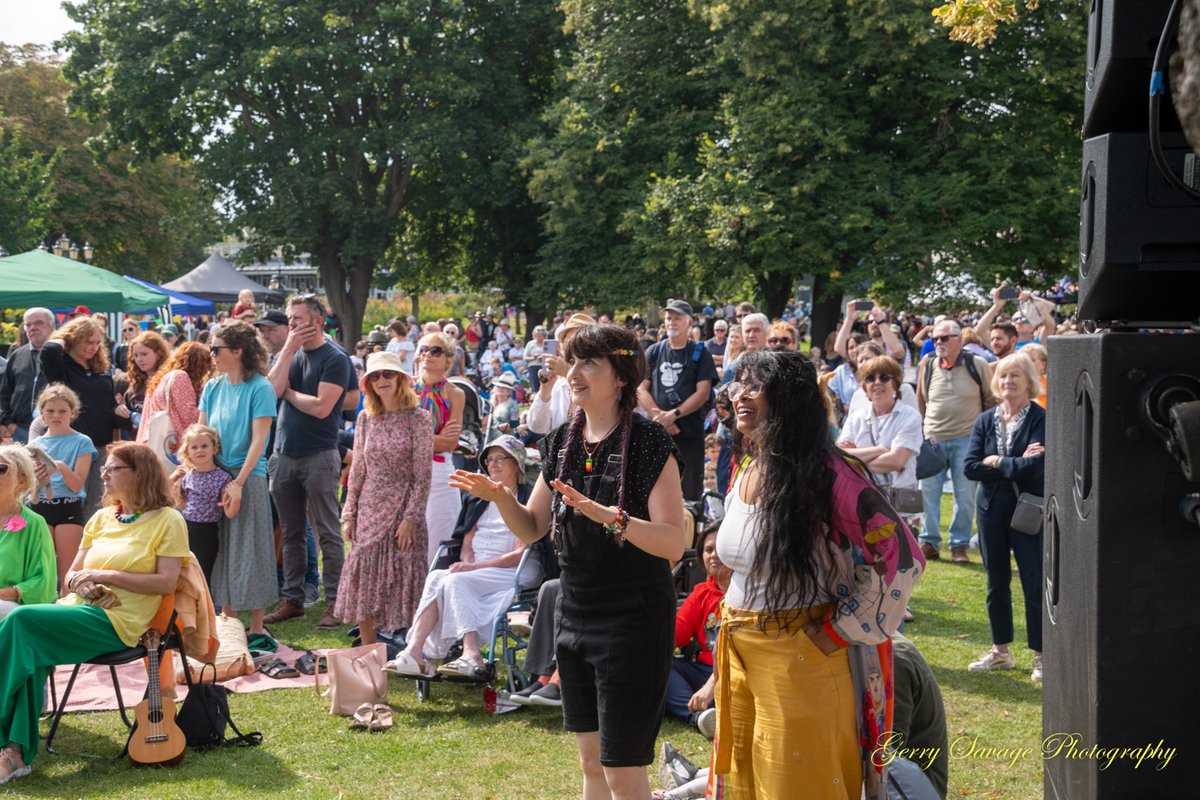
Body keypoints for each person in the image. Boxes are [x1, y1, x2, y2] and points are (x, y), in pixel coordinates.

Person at [451, 324, 686, 800]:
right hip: (574, 612)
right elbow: (533, 527)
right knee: (591, 764)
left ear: (620, 375)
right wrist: (500, 499)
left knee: (622, 770)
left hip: (634, 618)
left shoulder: (648, 442)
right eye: (571, 362)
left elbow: (673, 544)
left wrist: (609, 517)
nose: (573, 374)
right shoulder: (561, 440)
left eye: (588, 364)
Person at [709, 349, 924, 800]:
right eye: (738, 383)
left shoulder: (832, 474)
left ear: (788, 397)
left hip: (803, 656)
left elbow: (901, 558)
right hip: (741, 652)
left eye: (755, 383)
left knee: (799, 787)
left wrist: (839, 630)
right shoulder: (750, 465)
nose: (740, 394)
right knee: (749, 781)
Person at [0, 442, 188, 786]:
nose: (103, 474)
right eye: (104, 468)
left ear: (139, 473)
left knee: (20, 620)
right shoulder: (102, 518)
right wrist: (81, 584)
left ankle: (10, 747)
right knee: (29, 648)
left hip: (120, 621)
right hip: (80, 610)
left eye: (112, 468)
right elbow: (70, 575)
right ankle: (13, 752)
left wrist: (105, 576)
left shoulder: (168, 520)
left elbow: (166, 582)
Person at [389, 435, 541, 676]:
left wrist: (474, 568)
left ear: (518, 463)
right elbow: (466, 540)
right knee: (438, 577)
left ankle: (471, 654)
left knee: (456, 580)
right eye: (489, 460)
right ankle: (414, 651)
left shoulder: (528, 497)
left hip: (517, 568)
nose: (493, 465)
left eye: (501, 458)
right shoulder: (478, 498)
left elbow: (519, 552)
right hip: (480, 569)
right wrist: (469, 563)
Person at [263, 295, 351, 628]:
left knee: (328, 531)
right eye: (290, 318)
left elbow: (321, 407)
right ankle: (293, 599)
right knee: (291, 532)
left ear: (318, 320)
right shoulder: (289, 354)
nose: (293, 323)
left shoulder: (335, 357)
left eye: (298, 318)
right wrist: (286, 351)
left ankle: (335, 602)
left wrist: (288, 393)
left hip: (320, 453)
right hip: (284, 454)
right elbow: (270, 392)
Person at [334, 352, 433, 644]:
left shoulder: (419, 418)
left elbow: (422, 475)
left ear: (401, 379)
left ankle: (414, 650)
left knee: (405, 576)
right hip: (369, 506)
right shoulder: (365, 418)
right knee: (363, 576)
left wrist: (411, 518)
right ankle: (369, 652)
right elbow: (358, 470)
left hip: (404, 505)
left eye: (388, 374)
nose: (381, 380)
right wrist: (350, 512)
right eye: (375, 376)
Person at [963, 352, 1046, 683]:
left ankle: (1042, 654)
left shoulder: (1041, 419)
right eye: (1003, 375)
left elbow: (1036, 467)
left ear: (1029, 381)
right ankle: (1000, 652)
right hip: (990, 511)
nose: (1008, 381)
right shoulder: (985, 420)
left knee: (1033, 582)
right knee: (996, 581)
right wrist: (1009, 462)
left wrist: (996, 461)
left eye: (1015, 375)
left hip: (1026, 509)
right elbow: (970, 467)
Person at [198, 321, 279, 634]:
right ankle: (228, 620)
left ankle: (257, 626)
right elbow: (201, 432)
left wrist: (239, 482)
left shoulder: (260, 387)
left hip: (248, 476)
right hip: (214, 477)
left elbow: (259, 441)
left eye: (216, 349)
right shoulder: (212, 386)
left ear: (238, 351)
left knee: (251, 548)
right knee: (221, 548)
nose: (212, 354)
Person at [915, 319, 995, 563]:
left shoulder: (977, 364)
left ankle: (958, 545)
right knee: (928, 492)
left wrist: (982, 436)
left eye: (944, 338)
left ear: (959, 340)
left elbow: (990, 400)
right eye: (935, 338)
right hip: (933, 439)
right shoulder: (927, 364)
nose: (938, 342)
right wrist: (924, 428)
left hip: (967, 439)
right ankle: (929, 542)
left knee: (965, 494)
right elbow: (921, 398)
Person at [40, 316, 124, 520]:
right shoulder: (62, 368)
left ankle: (93, 547)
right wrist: (65, 339)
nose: (94, 347)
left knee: (99, 502)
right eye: (88, 341)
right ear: (73, 339)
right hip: (72, 446)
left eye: (97, 342)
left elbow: (107, 406)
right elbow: (49, 349)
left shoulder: (100, 369)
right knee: (74, 501)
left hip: (102, 446)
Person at [639, 299, 718, 503]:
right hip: (658, 432)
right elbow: (640, 389)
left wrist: (674, 415)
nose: (672, 322)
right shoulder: (654, 352)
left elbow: (703, 393)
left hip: (689, 434)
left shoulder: (700, 353)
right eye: (668, 318)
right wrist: (661, 418)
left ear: (689, 322)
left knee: (689, 490)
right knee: (653, 488)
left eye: (677, 318)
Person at [28, 385, 97, 588]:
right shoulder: (35, 444)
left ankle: (64, 611)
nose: (56, 416)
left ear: (72, 413)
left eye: (62, 411)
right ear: (41, 414)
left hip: (68, 506)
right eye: (50, 411)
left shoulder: (82, 441)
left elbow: (76, 485)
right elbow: (29, 487)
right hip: (40, 506)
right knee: (43, 570)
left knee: (68, 572)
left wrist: (60, 467)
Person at [837, 355, 924, 511]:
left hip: (898, 504)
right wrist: (882, 450)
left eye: (884, 377)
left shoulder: (910, 417)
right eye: (870, 378)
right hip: (862, 500)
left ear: (896, 383)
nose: (877, 383)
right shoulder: (856, 418)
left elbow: (896, 461)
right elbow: (841, 457)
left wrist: (856, 461)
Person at [666, 522, 727, 735]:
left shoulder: (751, 592)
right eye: (708, 550)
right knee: (662, 665)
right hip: (704, 670)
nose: (714, 555)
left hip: (736, 672)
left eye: (720, 548)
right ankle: (701, 718)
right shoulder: (701, 594)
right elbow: (674, 635)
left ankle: (709, 710)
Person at [415, 331, 467, 569]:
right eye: (423, 349)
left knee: (440, 537)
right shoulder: (405, 388)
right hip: (407, 471)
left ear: (448, 358)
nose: (427, 354)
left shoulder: (455, 393)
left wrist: (414, 437)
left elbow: (450, 443)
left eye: (435, 350)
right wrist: (434, 437)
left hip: (439, 472)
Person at [172, 424, 234, 586]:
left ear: (214, 448)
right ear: (188, 452)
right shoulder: (188, 475)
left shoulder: (223, 477)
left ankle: (204, 607)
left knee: (202, 572)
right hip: (186, 527)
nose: (200, 450)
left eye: (204, 446)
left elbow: (226, 506)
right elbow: (180, 501)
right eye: (194, 447)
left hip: (207, 531)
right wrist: (174, 481)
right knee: (183, 571)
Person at [0, 445, 56, 619]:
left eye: (1, 469)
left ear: (21, 480)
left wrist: (6, 593)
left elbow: (43, 581)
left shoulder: (34, 524)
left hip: (16, 608)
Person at [1, 308, 55, 445]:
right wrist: (8, 423)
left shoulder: (64, 355)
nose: (33, 328)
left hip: (53, 431)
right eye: (28, 325)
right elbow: (5, 392)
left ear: (52, 326)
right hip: (20, 430)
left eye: (38, 323)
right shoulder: (17, 355)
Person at [121, 331, 171, 439]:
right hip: (137, 443)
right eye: (136, 355)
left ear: (158, 354)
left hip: (162, 444)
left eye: (144, 354)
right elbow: (125, 412)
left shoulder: (169, 380)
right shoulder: (135, 383)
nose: (139, 359)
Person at [489, 373, 521, 437]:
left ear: (509, 391)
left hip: (504, 437)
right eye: (498, 386)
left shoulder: (512, 404)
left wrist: (497, 428)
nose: (500, 389)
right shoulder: (490, 404)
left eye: (504, 387)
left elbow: (514, 424)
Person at [524, 326, 548, 394]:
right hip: (533, 366)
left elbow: (553, 355)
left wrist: (543, 357)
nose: (540, 337)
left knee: (545, 384)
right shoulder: (530, 344)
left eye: (541, 335)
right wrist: (533, 358)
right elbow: (525, 357)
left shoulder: (547, 343)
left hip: (545, 366)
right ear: (535, 335)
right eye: (538, 335)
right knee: (535, 385)